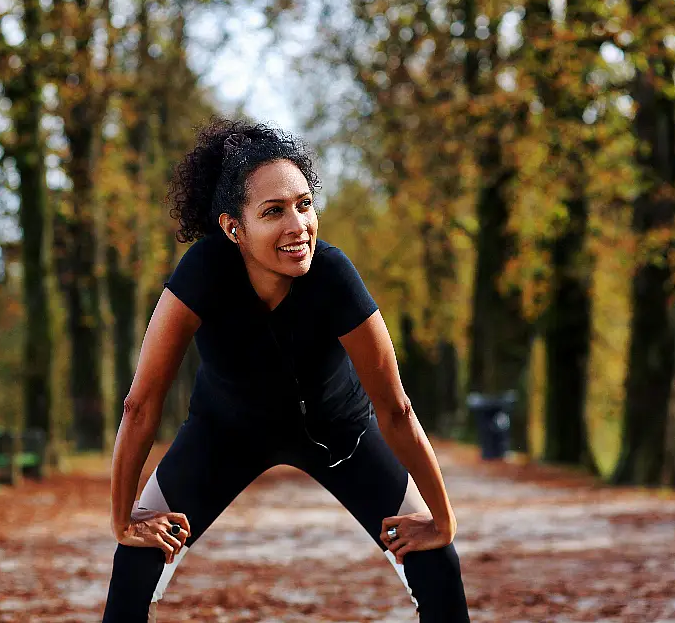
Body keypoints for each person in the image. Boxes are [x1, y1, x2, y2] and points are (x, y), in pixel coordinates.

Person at [101, 118, 470, 622]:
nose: (298, 226)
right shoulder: (203, 272)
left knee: (436, 563)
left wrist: (443, 521)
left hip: (342, 436)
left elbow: (395, 408)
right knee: (135, 565)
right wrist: (123, 520)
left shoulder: (335, 276)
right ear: (234, 227)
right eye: (273, 212)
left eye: (304, 204)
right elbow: (140, 405)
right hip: (223, 435)